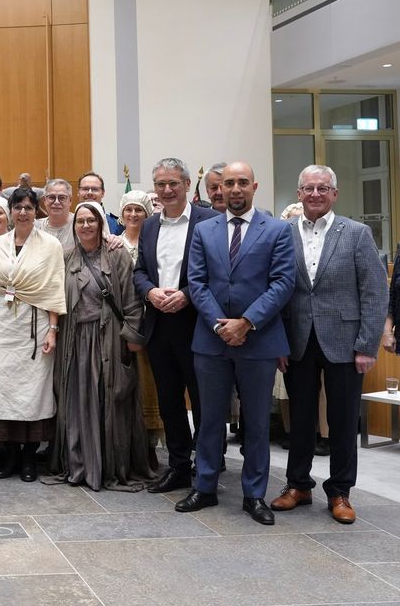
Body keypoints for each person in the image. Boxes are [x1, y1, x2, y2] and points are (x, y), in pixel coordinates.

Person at [177, 161, 296, 526]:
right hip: (212, 342)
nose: (235, 189)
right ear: (219, 188)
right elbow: (196, 282)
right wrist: (220, 326)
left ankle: (254, 494)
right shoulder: (204, 230)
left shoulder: (277, 230)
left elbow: (282, 283)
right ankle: (206, 487)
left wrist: (246, 323)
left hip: (259, 341)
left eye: (242, 182)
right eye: (228, 183)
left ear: (254, 186)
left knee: (257, 423)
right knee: (210, 419)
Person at [270, 165, 387, 524]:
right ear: (299, 193)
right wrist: (277, 343)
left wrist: (367, 345)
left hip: (346, 343)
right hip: (296, 342)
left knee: (342, 418)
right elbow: (273, 290)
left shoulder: (356, 233)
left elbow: (374, 291)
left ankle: (339, 492)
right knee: (301, 419)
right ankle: (298, 485)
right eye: (309, 188)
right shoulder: (282, 233)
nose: (316, 194)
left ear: (335, 194)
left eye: (323, 188)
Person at [133, 158, 218, 493]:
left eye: (173, 183)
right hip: (159, 325)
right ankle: (179, 467)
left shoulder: (208, 221)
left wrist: (186, 295)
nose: (167, 190)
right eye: (160, 184)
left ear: (186, 184)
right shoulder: (150, 225)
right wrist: (150, 291)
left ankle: (208, 470)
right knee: (169, 402)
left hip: (196, 324)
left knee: (203, 402)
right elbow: (140, 271)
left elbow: (218, 272)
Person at [52, 202, 150, 491]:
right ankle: (78, 462)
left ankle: (108, 464)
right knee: (77, 400)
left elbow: (132, 300)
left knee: (110, 398)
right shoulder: (67, 257)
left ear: (100, 223)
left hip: (108, 338)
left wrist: (132, 336)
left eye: (91, 220)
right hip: (74, 341)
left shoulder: (117, 255)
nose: (85, 226)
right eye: (80, 221)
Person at [0, 187, 66, 482]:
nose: (22, 212)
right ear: (11, 211)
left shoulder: (50, 245)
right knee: (4, 388)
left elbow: (55, 287)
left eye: (28, 207)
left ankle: (30, 457)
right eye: (17, 207)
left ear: (37, 211)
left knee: (35, 391)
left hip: (39, 323)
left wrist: (53, 330)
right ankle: (10, 455)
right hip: (5, 323)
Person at [118, 189, 163, 470]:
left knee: (150, 387)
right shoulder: (112, 244)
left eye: (139, 210)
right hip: (119, 324)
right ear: (121, 215)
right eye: (128, 210)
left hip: (152, 323)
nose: (133, 215)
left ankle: (149, 445)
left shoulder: (154, 242)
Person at [36, 179, 75, 255]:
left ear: (70, 201)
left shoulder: (79, 225)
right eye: (51, 197)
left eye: (62, 198)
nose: (56, 202)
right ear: (44, 200)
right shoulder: (36, 227)